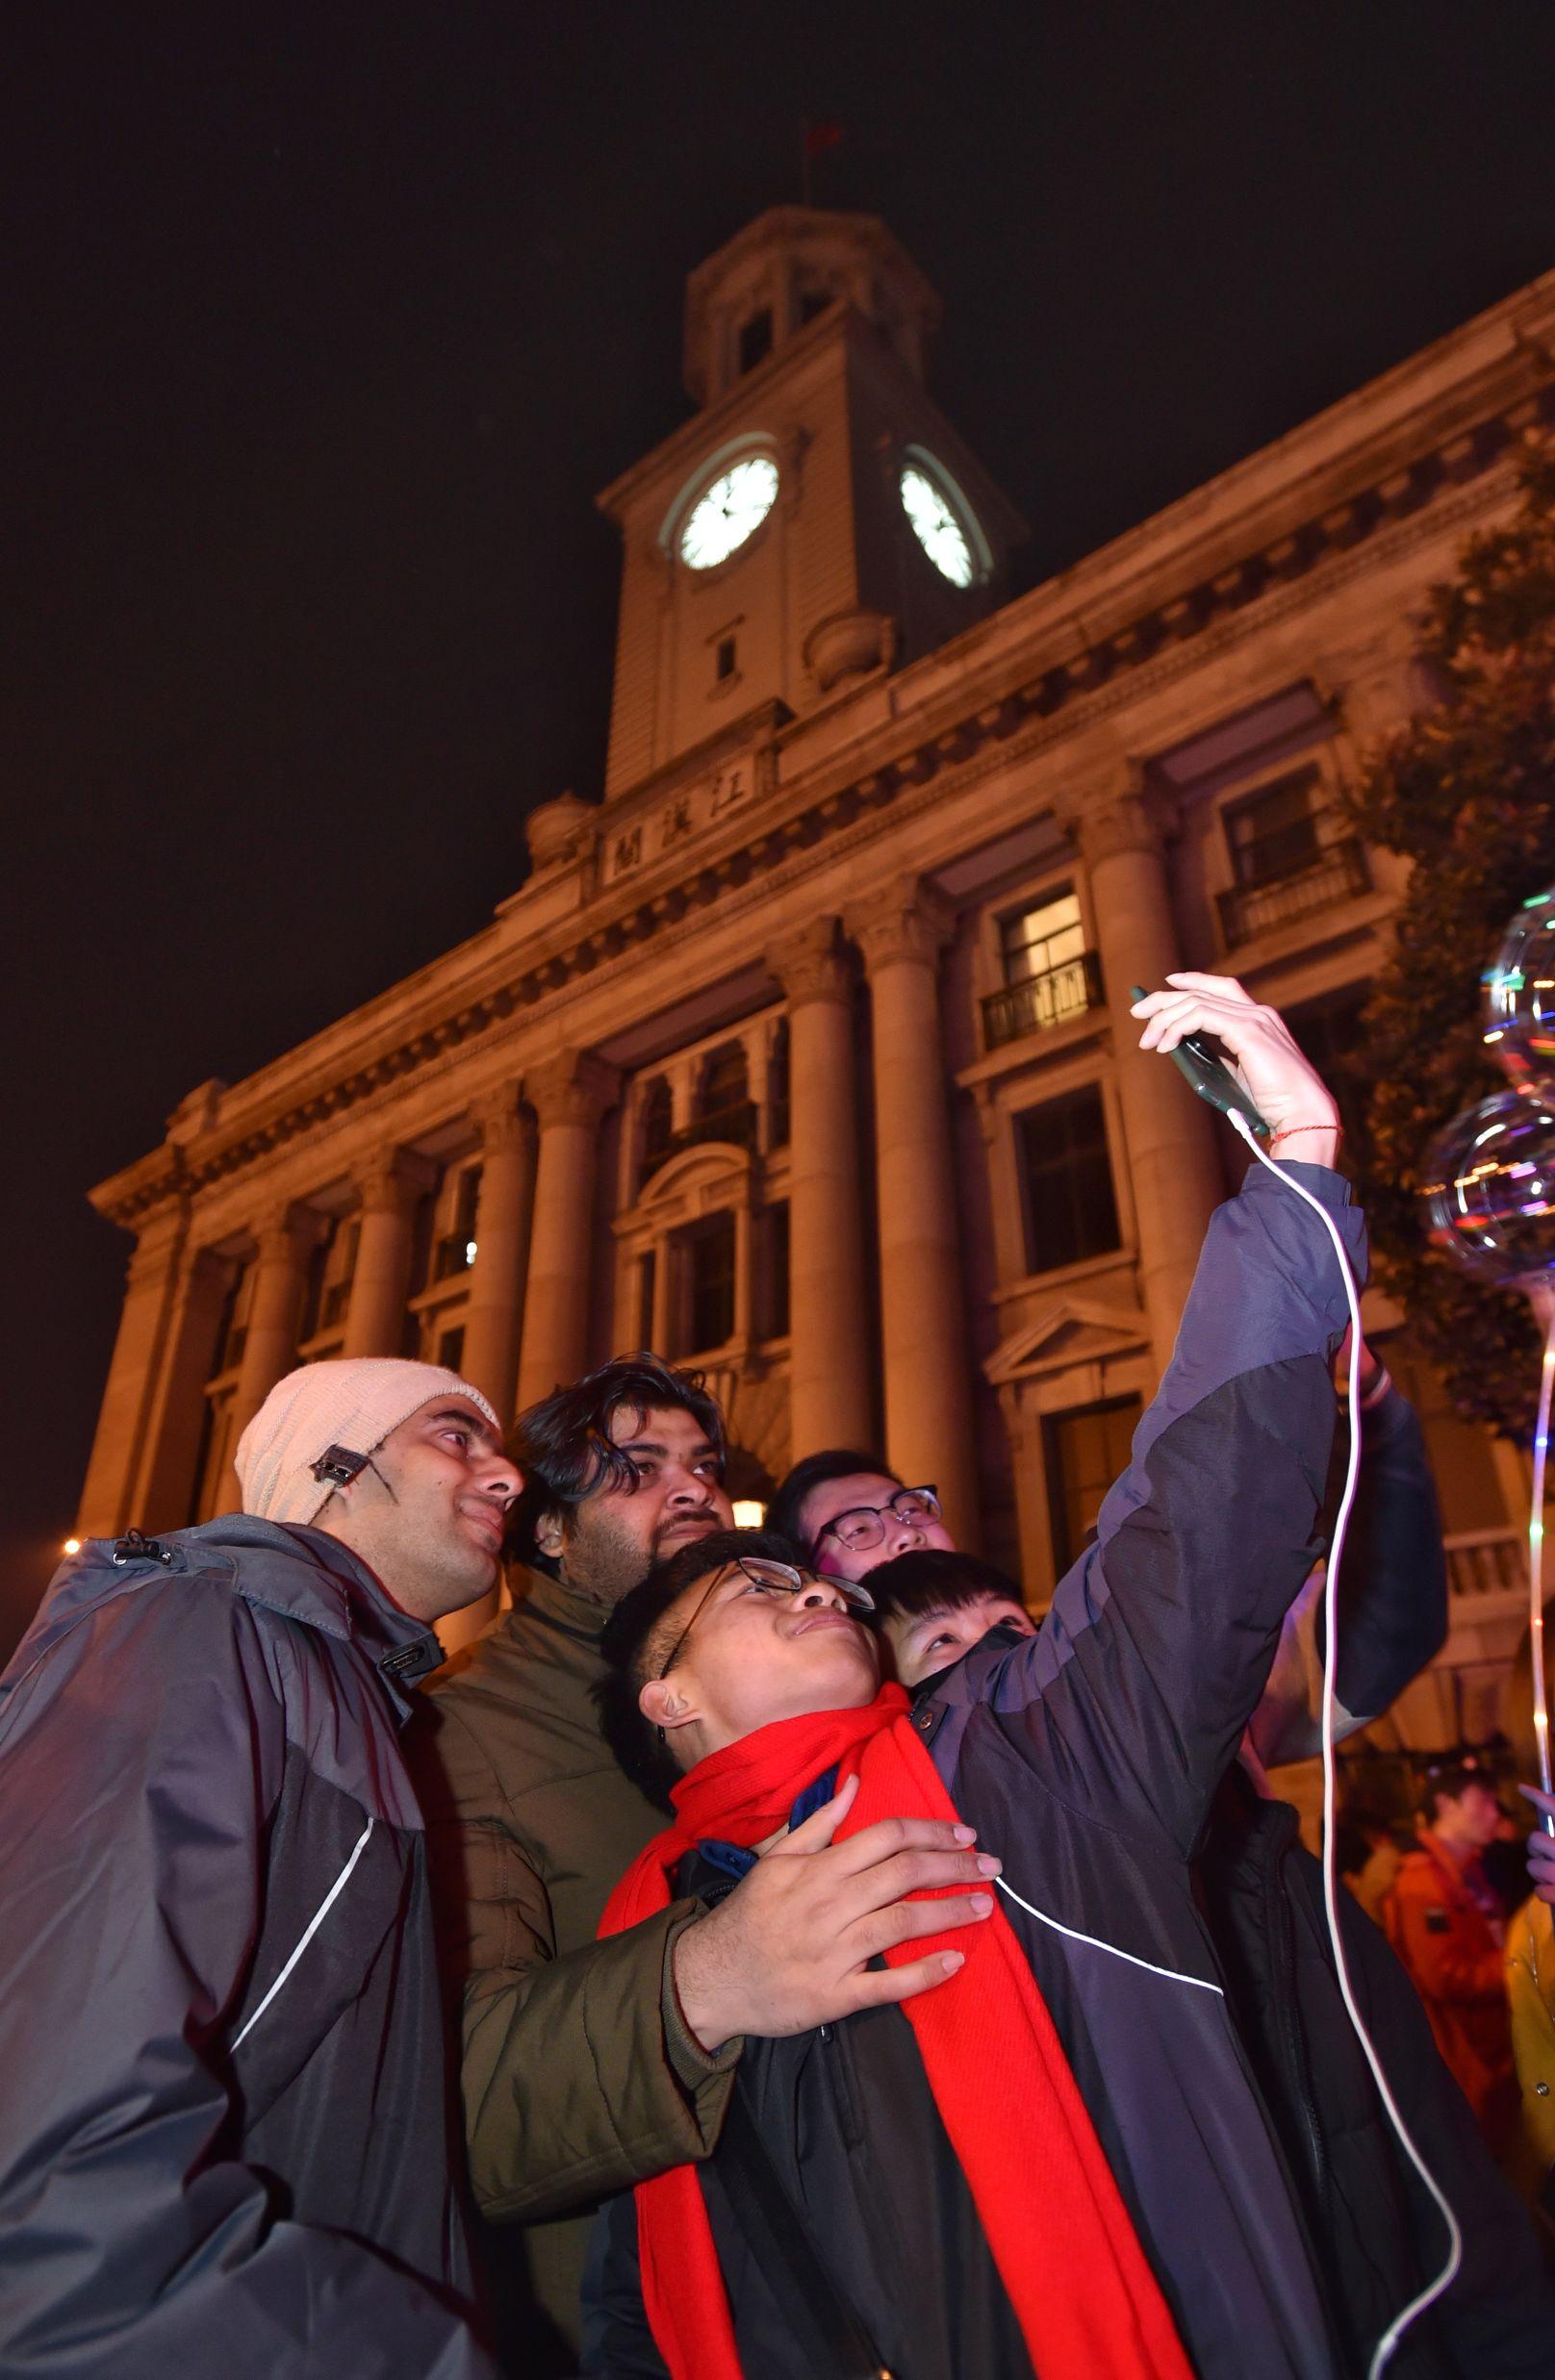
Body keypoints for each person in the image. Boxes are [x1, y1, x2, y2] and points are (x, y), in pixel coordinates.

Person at [581, 975, 1389, 2379]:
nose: (823, 1581)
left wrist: (1293, 1186)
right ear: (670, 1699)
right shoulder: (647, 1949)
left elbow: (1183, 1524)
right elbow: (630, 2308)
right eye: (761, 1585)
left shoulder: (1033, 1760)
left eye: (812, 1575)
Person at [409, 1353, 993, 2369]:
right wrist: (708, 1975)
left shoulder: (798, 1676)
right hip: (654, 2322)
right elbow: (464, 2110)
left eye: (702, 1465)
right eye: (633, 1468)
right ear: (544, 1530)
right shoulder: (461, 1737)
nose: (694, 1489)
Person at [864, 1547, 1555, 2375]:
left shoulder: (1252, 1838)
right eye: (941, 1642)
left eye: (1011, 1623)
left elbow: (1381, 1631)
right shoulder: (1004, 1939)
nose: (992, 1651)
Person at [0, 1356, 517, 2379]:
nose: (508, 1475)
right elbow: (50, 2198)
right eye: (456, 1435)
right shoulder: (193, 1623)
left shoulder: (341, 1688)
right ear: (336, 1462)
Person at [1386, 1761, 1518, 2147]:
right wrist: (1521, 1967)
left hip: (1493, 2047)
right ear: (1446, 1805)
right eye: (1484, 1802)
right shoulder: (1423, 1882)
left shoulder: (1468, 1870)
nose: (1495, 1813)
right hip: (1465, 2057)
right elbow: (1447, 1977)